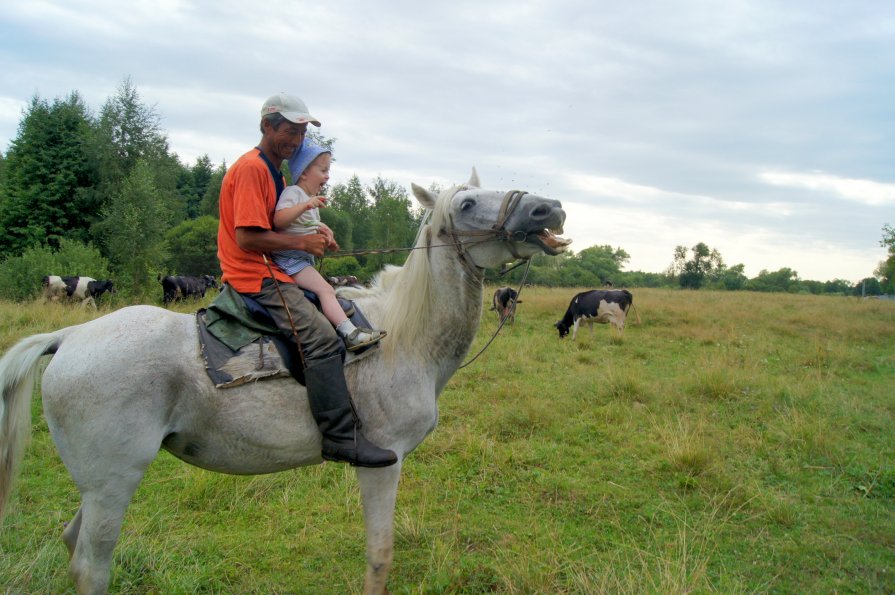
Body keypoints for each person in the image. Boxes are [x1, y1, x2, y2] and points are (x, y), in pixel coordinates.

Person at [216, 92, 396, 468]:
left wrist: (317, 232)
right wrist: (303, 242)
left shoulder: (273, 171)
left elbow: (280, 220)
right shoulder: (252, 168)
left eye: (300, 133)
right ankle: (340, 438)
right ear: (267, 126)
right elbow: (248, 237)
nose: (295, 141)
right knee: (322, 339)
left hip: (276, 267)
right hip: (256, 273)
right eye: (288, 131)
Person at [271, 141, 386, 351]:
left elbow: (309, 224)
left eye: (328, 171)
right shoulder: (294, 193)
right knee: (326, 290)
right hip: (290, 261)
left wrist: (327, 234)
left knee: (323, 291)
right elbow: (279, 220)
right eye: (323, 170)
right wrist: (305, 205)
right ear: (304, 172)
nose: (327, 176)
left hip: (301, 260)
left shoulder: (309, 199)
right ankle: (349, 333)